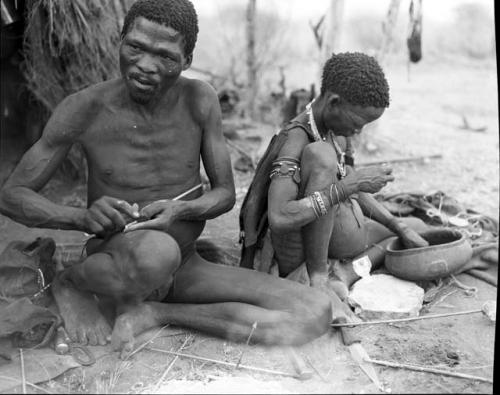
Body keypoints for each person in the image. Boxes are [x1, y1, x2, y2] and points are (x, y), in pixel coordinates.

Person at [0, 0, 332, 358]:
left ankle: (156, 312)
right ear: (120, 40)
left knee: (315, 311)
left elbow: (223, 193)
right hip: (117, 262)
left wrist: (181, 210)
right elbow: (11, 195)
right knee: (158, 252)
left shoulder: (199, 100)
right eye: (135, 47)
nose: (145, 65)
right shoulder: (84, 108)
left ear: (186, 60)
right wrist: (79, 217)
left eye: (165, 56)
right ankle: (72, 284)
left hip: (185, 266)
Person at [239, 52, 429, 299]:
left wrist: (398, 225)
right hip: (307, 253)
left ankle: (347, 273)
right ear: (333, 102)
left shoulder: (338, 132)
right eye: (358, 122)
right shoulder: (296, 140)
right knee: (321, 155)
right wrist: (349, 186)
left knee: (418, 228)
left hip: (349, 231)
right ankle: (320, 278)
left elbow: (351, 184)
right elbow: (280, 216)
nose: (359, 131)